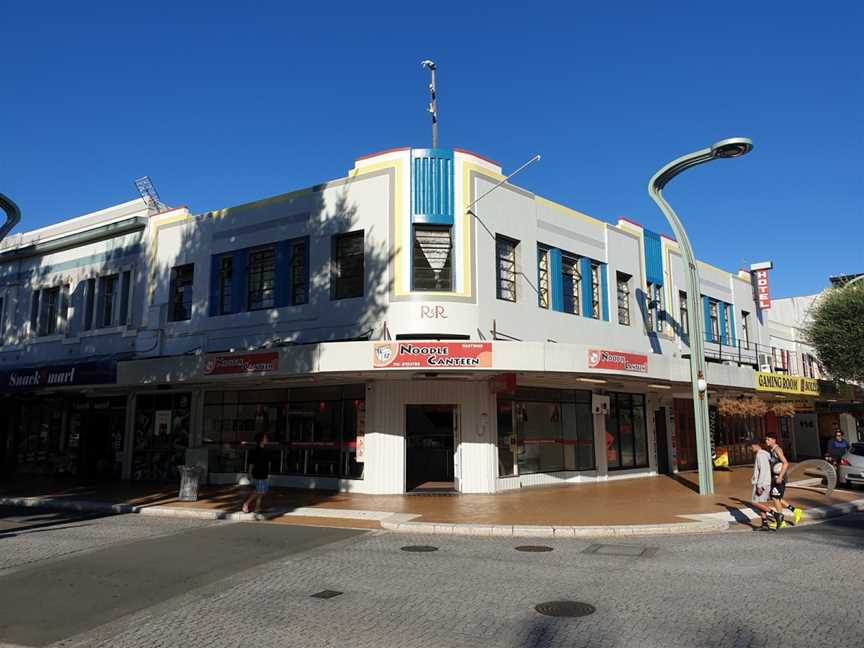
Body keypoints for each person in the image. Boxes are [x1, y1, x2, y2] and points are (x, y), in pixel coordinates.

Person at [764, 434, 801, 527]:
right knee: (776, 497)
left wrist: (780, 476)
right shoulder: (772, 450)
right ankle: (795, 511)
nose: (766, 441)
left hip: (779, 478)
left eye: (768, 439)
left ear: (774, 440)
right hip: (775, 477)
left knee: (775, 498)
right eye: (766, 439)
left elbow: (785, 463)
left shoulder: (777, 449)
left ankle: (781, 521)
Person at [748, 438, 776, 530]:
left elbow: (763, 471)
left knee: (754, 502)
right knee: (761, 503)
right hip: (764, 482)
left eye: (751, 447)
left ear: (755, 445)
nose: (751, 449)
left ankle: (776, 514)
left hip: (762, 483)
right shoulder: (763, 454)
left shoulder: (760, 455)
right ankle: (765, 524)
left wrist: (760, 486)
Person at [242, 432, 270, 515]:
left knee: (262, 491)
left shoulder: (264, 450)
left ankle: (257, 508)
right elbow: (251, 463)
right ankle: (246, 504)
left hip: (263, 473)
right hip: (258, 473)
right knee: (259, 490)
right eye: (265, 438)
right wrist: (249, 473)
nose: (267, 439)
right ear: (261, 440)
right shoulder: (257, 450)